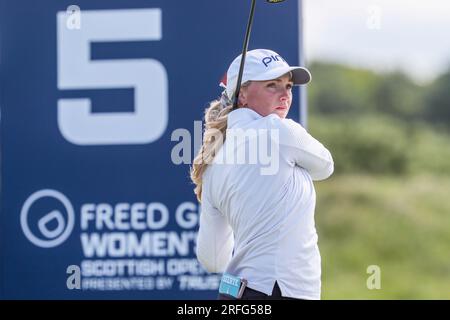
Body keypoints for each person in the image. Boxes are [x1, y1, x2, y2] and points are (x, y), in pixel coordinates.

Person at [190, 49, 334, 300]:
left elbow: (213, 259)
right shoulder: (281, 131)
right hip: (279, 291)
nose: (285, 95)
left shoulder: (213, 161)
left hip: (233, 293)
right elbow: (325, 166)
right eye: (272, 85)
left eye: (288, 86)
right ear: (242, 94)